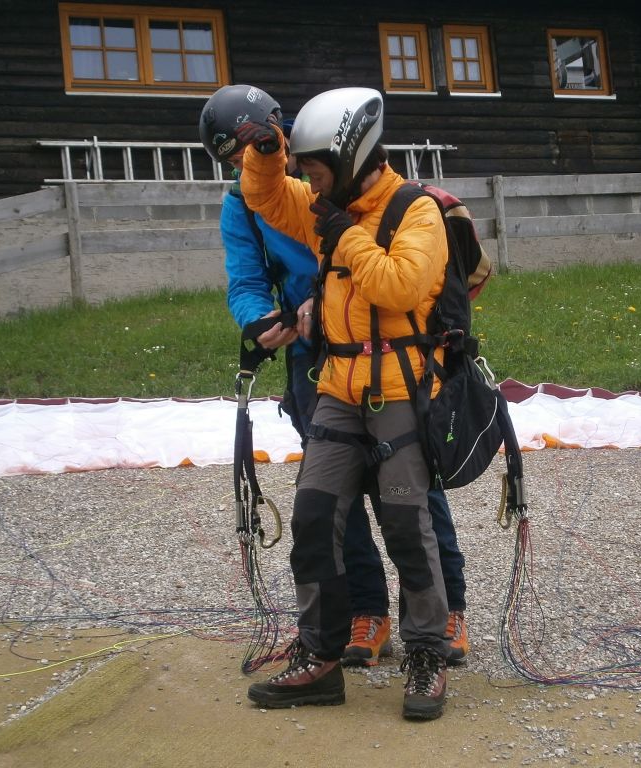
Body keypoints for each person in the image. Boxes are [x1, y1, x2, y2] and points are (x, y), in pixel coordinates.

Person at [200, 86, 470, 676]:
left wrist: (340, 239)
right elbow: (252, 250)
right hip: (325, 364)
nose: (309, 179)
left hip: (396, 364)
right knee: (322, 506)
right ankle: (363, 616)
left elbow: (397, 284)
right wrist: (264, 319)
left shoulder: (389, 201)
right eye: (234, 159)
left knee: (407, 497)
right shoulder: (271, 195)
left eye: (311, 168)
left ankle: (442, 616)